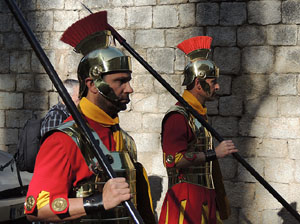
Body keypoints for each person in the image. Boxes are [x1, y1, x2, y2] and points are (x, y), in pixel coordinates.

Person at [24, 11, 155, 223]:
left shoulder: (125, 140)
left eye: (129, 80)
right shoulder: (63, 140)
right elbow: (36, 207)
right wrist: (96, 202)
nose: (130, 89)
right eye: (120, 81)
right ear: (92, 84)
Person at [158, 36, 238, 224]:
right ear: (197, 83)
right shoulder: (178, 117)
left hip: (205, 196)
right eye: (212, 82)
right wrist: (214, 153)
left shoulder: (198, 115)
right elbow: (172, 160)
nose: (217, 86)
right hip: (186, 199)